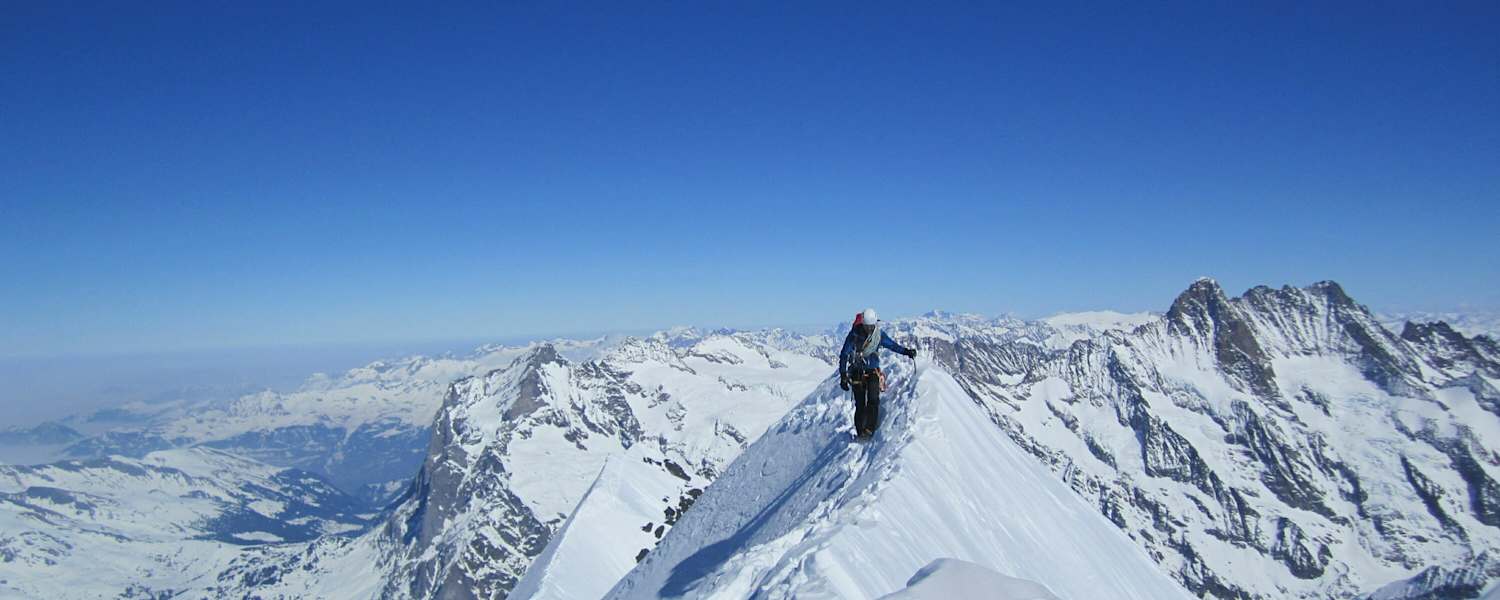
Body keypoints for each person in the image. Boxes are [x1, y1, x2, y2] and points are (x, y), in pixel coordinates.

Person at [839, 308, 916, 439]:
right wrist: (843, 375)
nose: (869, 329)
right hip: (862, 372)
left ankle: (868, 430)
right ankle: (863, 432)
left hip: (865, 372)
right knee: (863, 404)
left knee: (871, 401)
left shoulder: (871, 335)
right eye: (867, 326)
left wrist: (906, 352)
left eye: (871, 326)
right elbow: (844, 354)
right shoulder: (857, 335)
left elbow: (892, 345)